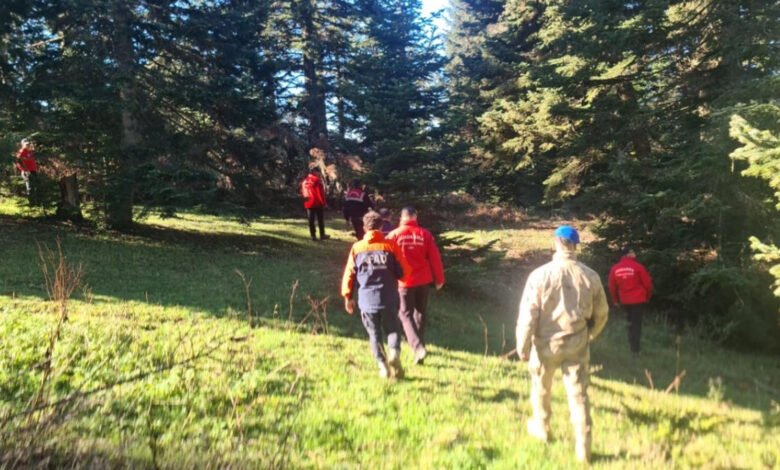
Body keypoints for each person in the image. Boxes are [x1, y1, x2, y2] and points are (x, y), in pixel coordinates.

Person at [516, 225, 609, 463]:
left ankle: (543, 429)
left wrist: (522, 345)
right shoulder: (590, 276)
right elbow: (602, 314)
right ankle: (583, 446)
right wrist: (590, 335)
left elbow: (528, 315)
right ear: (576, 246)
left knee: (541, 388)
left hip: (545, 345)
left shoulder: (539, 275)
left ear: (556, 243)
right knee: (579, 394)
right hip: (577, 344)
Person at [341, 210, 410, 379]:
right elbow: (405, 272)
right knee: (393, 330)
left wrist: (347, 296)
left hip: (367, 300)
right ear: (381, 226)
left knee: (374, 334)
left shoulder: (357, 248)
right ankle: (394, 353)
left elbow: (349, 274)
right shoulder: (391, 246)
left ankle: (383, 366)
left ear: (365, 229)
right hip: (389, 298)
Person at [387, 206, 444, 365]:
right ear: (415, 218)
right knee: (419, 314)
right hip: (423, 281)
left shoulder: (394, 235)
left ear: (401, 218)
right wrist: (439, 279)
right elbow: (435, 258)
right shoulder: (425, 234)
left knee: (404, 314)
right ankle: (420, 350)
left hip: (404, 282)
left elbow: (388, 260)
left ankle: (418, 348)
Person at [608, 246, 653, 358]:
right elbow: (648, 284)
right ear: (627, 255)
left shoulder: (615, 269)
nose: (635, 255)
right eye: (632, 253)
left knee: (630, 323)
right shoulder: (638, 267)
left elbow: (611, 286)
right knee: (636, 325)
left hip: (625, 300)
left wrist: (615, 300)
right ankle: (635, 350)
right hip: (638, 300)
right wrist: (647, 297)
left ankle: (632, 345)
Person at [300, 167, 329, 241]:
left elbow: (303, 193)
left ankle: (313, 235)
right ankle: (322, 235)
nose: (319, 174)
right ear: (315, 172)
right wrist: (324, 203)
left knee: (311, 220)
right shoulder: (317, 181)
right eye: (319, 172)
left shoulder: (304, 181)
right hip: (317, 203)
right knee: (320, 219)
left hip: (308, 203)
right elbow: (320, 193)